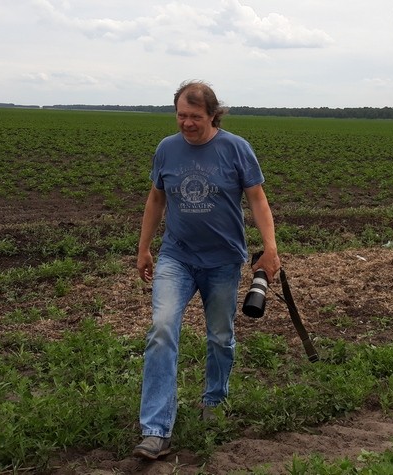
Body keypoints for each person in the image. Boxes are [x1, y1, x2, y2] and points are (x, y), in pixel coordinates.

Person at [133, 80, 281, 460]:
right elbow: (156, 198)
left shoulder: (236, 149)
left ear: (213, 115)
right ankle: (155, 429)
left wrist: (271, 248)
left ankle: (213, 402)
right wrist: (144, 247)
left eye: (195, 117)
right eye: (181, 115)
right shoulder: (167, 149)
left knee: (219, 336)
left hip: (222, 260)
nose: (186, 123)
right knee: (162, 328)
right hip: (176, 257)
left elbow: (258, 200)